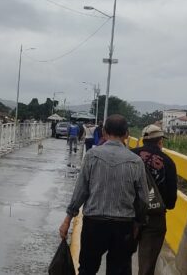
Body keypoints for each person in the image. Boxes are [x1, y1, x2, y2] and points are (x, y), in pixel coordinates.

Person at [59, 115, 149, 275]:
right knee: (118, 270)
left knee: (87, 269)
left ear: (104, 132)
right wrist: (138, 223)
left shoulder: (92, 156)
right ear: (127, 134)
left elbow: (80, 191)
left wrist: (67, 220)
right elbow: (143, 199)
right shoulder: (136, 162)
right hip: (123, 225)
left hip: (94, 223)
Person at [131, 124, 178, 275]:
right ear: (160, 141)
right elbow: (171, 202)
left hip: (127, 214)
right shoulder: (168, 162)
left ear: (143, 140)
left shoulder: (130, 155)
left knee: (120, 260)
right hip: (154, 218)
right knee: (146, 267)